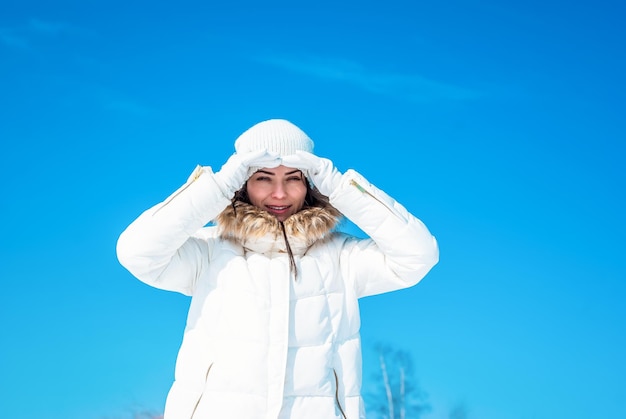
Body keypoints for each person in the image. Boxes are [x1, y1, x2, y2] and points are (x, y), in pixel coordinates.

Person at [116, 119, 439, 419]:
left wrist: (343, 188)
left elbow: (417, 257)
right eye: (263, 178)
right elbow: (137, 253)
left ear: (311, 184)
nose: (280, 193)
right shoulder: (208, 250)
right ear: (241, 184)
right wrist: (215, 186)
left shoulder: (342, 256)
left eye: (293, 179)